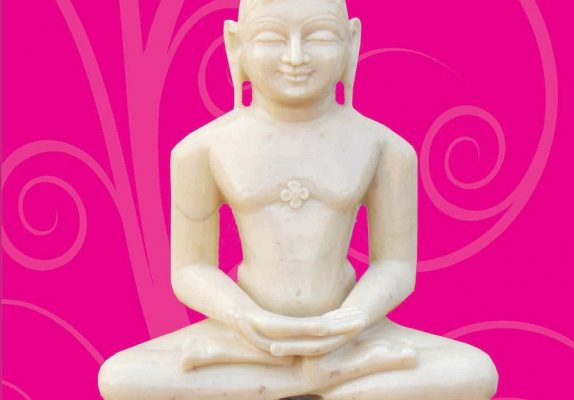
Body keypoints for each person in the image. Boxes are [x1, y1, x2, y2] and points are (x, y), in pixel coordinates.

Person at [98, 0, 499, 398]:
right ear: (235, 44)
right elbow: (191, 268)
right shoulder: (202, 149)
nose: (295, 57)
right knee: (120, 378)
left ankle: (289, 382)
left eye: (319, 38)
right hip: (245, 337)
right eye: (272, 38)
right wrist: (243, 316)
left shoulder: (384, 147)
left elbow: (394, 265)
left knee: (474, 371)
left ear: (352, 42)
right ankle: (322, 380)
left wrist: (353, 317)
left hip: (352, 334)